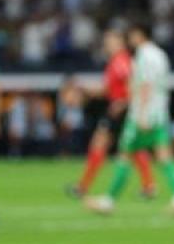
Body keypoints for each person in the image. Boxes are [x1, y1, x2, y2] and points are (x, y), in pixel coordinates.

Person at [86, 23, 174, 215]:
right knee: (164, 156)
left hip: (142, 114)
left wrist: (141, 113)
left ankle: (108, 201)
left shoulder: (144, 55)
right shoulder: (160, 54)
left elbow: (145, 85)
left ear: (139, 34)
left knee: (124, 154)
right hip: (159, 113)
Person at [66, 30, 155, 199]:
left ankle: (83, 187)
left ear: (120, 42)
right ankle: (149, 186)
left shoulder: (120, 61)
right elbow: (107, 89)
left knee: (100, 143)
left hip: (120, 110)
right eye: (106, 42)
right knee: (134, 147)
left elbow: (131, 82)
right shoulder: (116, 61)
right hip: (121, 108)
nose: (108, 45)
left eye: (111, 42)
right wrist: (85, 89)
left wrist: (123, 102)